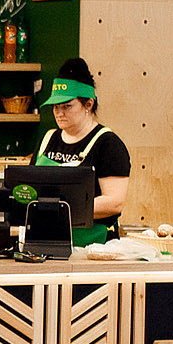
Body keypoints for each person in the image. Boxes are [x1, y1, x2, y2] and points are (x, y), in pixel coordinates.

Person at [35, 57, 131, 244]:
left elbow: (114, 202)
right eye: (55, 107)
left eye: (67, 106)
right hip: (47, 240)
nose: (59, 113)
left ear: (88, 104)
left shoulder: (108, 144)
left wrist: (62, 208)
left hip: (93, 246)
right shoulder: (48, 139)